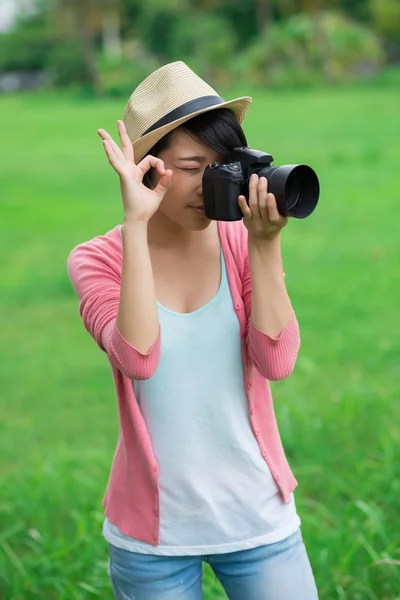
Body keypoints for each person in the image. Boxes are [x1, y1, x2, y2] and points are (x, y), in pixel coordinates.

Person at [67, 61, 318, 600]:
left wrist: (266, 245)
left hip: (257, 517)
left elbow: (277, 363)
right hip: (154, 538)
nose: (214, 182)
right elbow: (138, 359)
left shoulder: (238, 242)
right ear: (146, 167)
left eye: (223, 165)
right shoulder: (95, 260)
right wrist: (136, 224)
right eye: (193, 165)